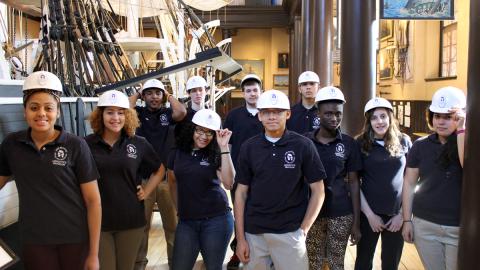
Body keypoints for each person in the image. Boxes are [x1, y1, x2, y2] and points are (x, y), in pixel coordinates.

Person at [0, 71, 101, 270]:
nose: (41, 114)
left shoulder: (76, 146)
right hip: (35, 240)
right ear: (25, 111)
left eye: (49, 108)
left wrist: (93, 254)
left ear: (58, 111)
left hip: (74, 239)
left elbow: (93, 201)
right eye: (34, 107)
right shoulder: (12, 144)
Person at [235, 90, 326, 270]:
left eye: (277, 112)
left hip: (290, 232)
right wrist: (240, 238)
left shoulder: (303, 145)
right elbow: (241, 193)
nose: (271, 117)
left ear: (288, 114)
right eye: (266, 112)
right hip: (255, 233)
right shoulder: (249, 147)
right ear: (259, 115)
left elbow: (318, 191)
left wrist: (304, 230)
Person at [86, 90, 166, 270]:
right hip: (100, 222)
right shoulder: (86, 144)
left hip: (131, 221)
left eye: (121, 112)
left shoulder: (138, 143)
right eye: (110, 112)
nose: (116, 117)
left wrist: (146, 191)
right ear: (100, 115)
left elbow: (159, 169)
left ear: (127, 115)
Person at [402, 86, 466, 270]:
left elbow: (466, 164)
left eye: (448, 117)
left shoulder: (467, 144)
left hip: (457, 227)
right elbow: (409, 183)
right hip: (425, 224)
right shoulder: (420, 145)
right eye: (437, 116)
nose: (441, 122)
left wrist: (462, 129)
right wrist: (407, 220)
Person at [129, 79, 186, 269]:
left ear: (163, 96)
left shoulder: (168, 114)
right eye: (150, 93)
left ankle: (175, 264)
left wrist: (168, 94)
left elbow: (182, 112)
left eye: (158, 93)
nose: (154, 97)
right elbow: (125, 107)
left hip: (165, 180)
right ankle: (139, 264)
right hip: (143, 179)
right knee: (141, 227)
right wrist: (137, 93)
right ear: (144, 96)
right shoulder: (137, 114)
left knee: (172, 226)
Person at [167, 109, 235, 270]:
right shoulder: (177, 153)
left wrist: (224, 147)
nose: (204, 136)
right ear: (192, 129)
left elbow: (229, 183)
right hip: (187, 222)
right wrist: (180, 210)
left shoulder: (217, 153)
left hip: (216, 221)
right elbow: (172, 181)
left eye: (209, 133)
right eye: (200, 131)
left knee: (213, 267)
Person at [305, 86, 362, 270]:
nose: (334, 118)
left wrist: (356, 221)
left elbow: (353, 183)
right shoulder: (304, 142)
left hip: (341, 214)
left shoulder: (348, 143)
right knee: (314, 263)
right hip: (311, 214)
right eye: (328, 113)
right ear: (318, 113)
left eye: (338, 114)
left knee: (336, 264)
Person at [354, 97, 412, 270]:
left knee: (391, 263)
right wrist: (370, 215)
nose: (379, 121)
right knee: (363, 261)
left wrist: (402, 215)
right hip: (369, 214)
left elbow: (412, 180)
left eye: (383, 116)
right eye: (374, 117)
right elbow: (354, 182)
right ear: (368, 121)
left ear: (390, 118)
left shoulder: (404, 141)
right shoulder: (360, 143)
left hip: (396, 215)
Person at [223, 74, 264, 269]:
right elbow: (228, 147)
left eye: (255, 89)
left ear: (260, 91)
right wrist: (228, 172)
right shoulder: (233, 116)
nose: (252, 93)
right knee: (241, 214)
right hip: (240, 175)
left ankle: (259, 252)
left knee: (258, 214)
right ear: (243, 93)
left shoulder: (267, 114)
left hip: (264, 177)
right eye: (248, 90)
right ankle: (238, 251)